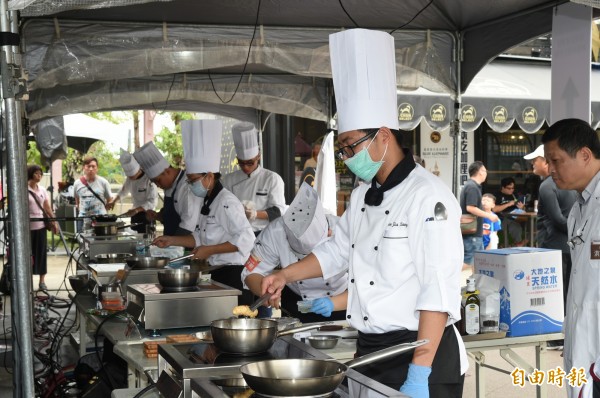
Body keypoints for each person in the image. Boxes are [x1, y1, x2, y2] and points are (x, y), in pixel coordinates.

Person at [261, 28, 467, 396]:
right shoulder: (361, 196)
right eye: (342, 149)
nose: (346, 158)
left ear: (384, 136)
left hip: (421, 352)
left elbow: (438, 293)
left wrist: (419, 376)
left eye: (349, 146)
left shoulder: (428, 198)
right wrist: (284, 273)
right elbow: (337, 251)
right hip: (372, 350)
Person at [153, 120, 255, 306]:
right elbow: (199, 238)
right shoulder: (208, 200)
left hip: (234, 274)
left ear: (209, 176)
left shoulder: (226, 202)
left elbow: (246, 238)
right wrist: (171, 240)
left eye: (192, 180)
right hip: (217, 272)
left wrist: (211, 250)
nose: (190, 185)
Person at [541, 118, 600, 398]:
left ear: (585, 155)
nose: (550, 170)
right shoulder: (580, 207)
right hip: (586, 347)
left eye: (556, 160)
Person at [241, 183, 348, 322]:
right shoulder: (275, 232)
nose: (309, 264)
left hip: (342, 301)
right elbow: (251, 273)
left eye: (314, 257)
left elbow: (367, 284)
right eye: (300, 256)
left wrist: (334, 303)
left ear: (328, 233)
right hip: (295, 303)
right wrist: (267, 291)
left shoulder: (344, 232)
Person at [524, 144, 576, 304]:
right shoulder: (570, 182)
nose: (533, 163)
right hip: (570, 245)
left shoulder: (547, 186)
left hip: (553, 246)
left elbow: (558, 219)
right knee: (568, 290)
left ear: (546, 162)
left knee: (556, 292)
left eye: (535, 160)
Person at [222, 122, 286, 236]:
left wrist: (255, 214)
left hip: (263, 233)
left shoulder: (272, 179)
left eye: (250, 163)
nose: (245, 167)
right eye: (241, 163)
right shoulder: (228, 180)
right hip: (236, 233)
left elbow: (278, 211)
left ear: (258, 157)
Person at [133, 141, 202, 236]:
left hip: (186, 244)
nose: (157, 185)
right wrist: (158, 216)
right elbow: (172, 216)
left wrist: (171, 245)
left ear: (167, 172)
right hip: (173, 243)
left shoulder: (187, 186)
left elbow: (188, 226)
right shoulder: (169, 186)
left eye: (158, 181)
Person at [106, 149, 158, 234]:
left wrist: (136, 210)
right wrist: (113, 201)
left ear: (138, 170)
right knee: (135, 240)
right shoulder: (129, 179)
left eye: (132, 176)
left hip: (147, 215)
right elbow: (123, 191)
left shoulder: (149, 179)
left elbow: (152, 202)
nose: (130, 178)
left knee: (147, 240)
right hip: (134, 215)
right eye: (129, 176)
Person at [460, 161, 498, 270]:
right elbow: (470, 208)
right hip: (472, 233)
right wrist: (489, 215)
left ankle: (474, 285)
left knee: (477, 261)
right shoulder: (472, 187)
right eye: (485, 171)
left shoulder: (471, 186)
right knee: (469, 261)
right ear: (481, 172)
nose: (486, 174)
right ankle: (447, 276)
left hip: (474, 232)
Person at [27, 165, 58, 290]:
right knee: (28, 255)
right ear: (30, 174)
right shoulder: (23, 189)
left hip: (40, 226)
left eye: (40, 173)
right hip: (27, 228)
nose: (39, 176)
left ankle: (42, 281)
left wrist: (54, 221)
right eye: (36, 173)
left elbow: (47, 207)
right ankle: (27, 281)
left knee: (41, 254)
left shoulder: (42, 190)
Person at [73, 157, 113, 232]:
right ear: (84, 168)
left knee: (100, 241)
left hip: (100, 219)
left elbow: (110, 200)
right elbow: (77, 199)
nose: (91, 169)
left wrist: (103, 211)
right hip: (83, 219)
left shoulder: (103, 182)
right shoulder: (77, 183)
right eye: (88, 166)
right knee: (82, 241)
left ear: (97, 168)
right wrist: (80, 208)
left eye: (93, 166)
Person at [492, 177, 528, 246]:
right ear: (503, 187)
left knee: (531, 223)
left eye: (513, 188)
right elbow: (494, 209)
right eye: (509, 188)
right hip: (502, 218)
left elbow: (522, 209)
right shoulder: (497, 195)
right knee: (514, 224)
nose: (511, 190)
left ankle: (527, 240)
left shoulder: (514, 195)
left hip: (517, 216)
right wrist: (508, 204)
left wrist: (522, 207)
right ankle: (518, 243)